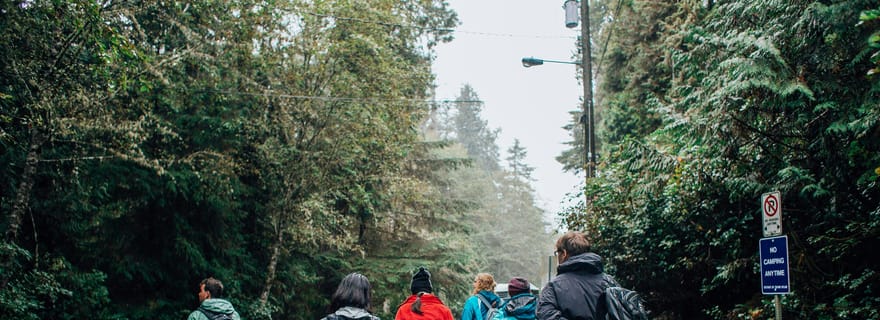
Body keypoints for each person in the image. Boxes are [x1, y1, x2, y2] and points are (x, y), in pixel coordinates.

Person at [537, 231, 618, 320]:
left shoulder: (554, 286)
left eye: (557, 253)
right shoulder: (610, 282)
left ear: (564, 253)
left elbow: (546, 315)